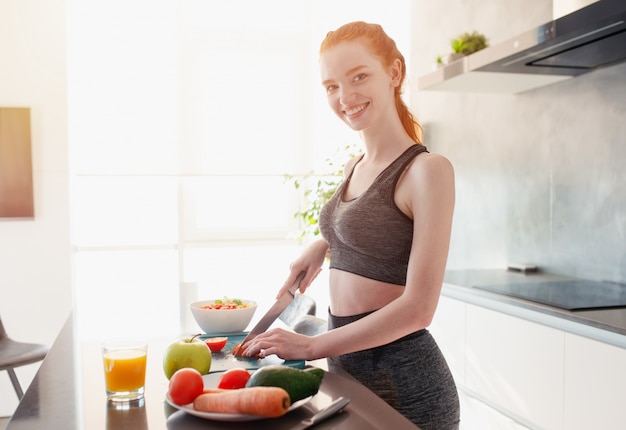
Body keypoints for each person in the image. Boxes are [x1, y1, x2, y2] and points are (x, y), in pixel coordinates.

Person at [242, 21, 460, 429]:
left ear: (394, 73)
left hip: (405, 386)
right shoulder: (354, 167)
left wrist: (312, 345)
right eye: (331, 86)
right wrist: (323, 243)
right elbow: (370, 228)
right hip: (346, 373)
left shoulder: (427, 171)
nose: (345, 97)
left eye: (359, 77)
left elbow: (418, 309)